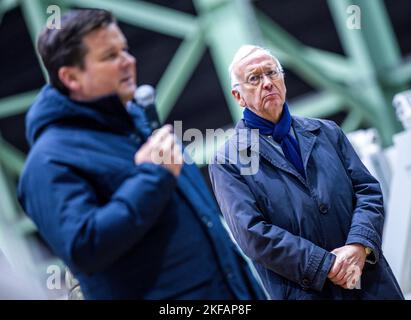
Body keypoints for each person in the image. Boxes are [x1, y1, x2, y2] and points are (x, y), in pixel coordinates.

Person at [17, 9, 265, 300]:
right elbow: (84, 247)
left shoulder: (141, 125)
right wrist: (152, 176)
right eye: (110, 56)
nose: (128, 62)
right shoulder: (48, 162)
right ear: (71, 77)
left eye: (125, 49)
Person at [208, 44, 404, 300]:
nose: (267, 83)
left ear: (283, 80)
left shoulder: (327, 132)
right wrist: (325, 265)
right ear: (239, 96)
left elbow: (368, 191)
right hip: (307, 292)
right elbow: (252, 234)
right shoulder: (228, 162)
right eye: (254, 78)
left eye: (272, 73)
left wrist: (358, 245)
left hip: (369, 281)